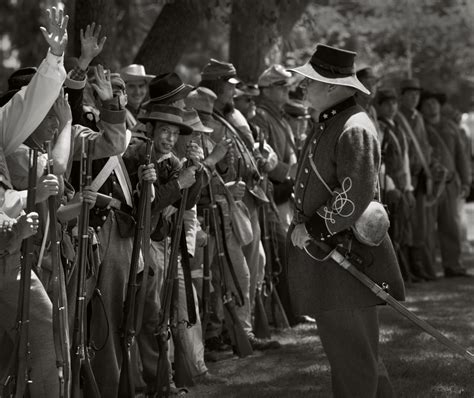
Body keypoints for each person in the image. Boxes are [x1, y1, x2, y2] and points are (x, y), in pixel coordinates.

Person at [288, 44, 405, 398]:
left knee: (353, 361)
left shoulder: (352, 127)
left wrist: (311, 229)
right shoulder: (333, 122)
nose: (303, 88)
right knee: (358, 358)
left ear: (333, 87)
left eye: (311, 81)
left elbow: (354, 196)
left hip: (347, 260)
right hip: (334, 260)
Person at [418, 90, 471, 278]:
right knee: (427, 229)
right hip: (428, 185)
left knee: (451, 226)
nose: (431, 106)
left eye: (434, 103)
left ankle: (453, 265)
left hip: (449, 184)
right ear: (422, 108)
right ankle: (429, 268)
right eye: (427, 104)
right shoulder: (419, 127)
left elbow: (461, 157)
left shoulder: (450, 126)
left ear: (440, 106)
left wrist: (466, 182)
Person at [395, 78, 434, 278]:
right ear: (401, 96)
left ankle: (418, 265)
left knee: (419, 223)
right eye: (410, 94)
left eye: (417, 94)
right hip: (404, 177)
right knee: (405, 223)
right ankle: (407, 267)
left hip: (419, 176)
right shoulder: (398, 116)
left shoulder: (418, 117)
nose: (414, 97)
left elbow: (424, 145)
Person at [120, 64, 155, 128]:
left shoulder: (149, 114)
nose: (137, 92)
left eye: (141, 86)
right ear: (122, 89)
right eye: (132, 86)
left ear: (146, 88)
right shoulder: (117, 113)